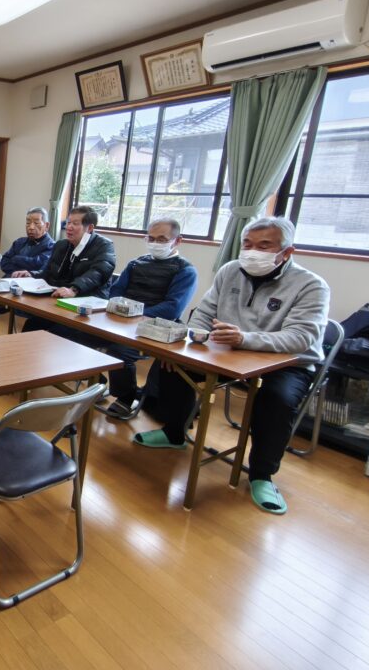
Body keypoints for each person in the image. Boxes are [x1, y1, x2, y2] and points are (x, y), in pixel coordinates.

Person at [133, 217, 329, 516]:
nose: (252, 251)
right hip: (227, 351)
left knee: (276, 400)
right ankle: (174, 433)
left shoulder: (311, 285)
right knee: (170, 364)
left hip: (286, 363)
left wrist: (246, 338)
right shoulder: (230, 271)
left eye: (264, 245)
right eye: (247, 244)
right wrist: (190, 341)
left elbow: (301, 337)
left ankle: (262, 475)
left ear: (287, 252)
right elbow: (204, 312)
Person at [101, 218, 198, 418]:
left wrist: (137, 315)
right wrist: (123, 310)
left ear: (177, 241)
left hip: (156, 328)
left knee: (119, 351)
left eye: (161, 239)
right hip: (122, 320)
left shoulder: (185, 271)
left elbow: (172, 308)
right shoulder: (136, 263)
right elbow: (116, 291)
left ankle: (126, 397)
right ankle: (96, 384)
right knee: (78, 332)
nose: (155, 243)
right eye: (151, 238)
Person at [17, 206, 116, 334]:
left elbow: (98, 272)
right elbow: (47, 273)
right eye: (68, 222)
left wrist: (74, 289)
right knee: (32, 325)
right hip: (61, 302)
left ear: (90, 228)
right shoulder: (61, 245)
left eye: (75, 223)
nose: (69, 227)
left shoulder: (104, 245)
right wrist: (31, 275)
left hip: (87, 305)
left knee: (57, 332)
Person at [0, 206, 56, 335]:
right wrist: (22, 267)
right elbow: (4, 263)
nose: (31, 227)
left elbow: (39, 266)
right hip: (8, 286)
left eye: (36, 223)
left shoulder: (52, 246)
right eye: (28, 222)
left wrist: (16, 259)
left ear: (47, 225)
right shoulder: (20, 242)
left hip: (31, 292)